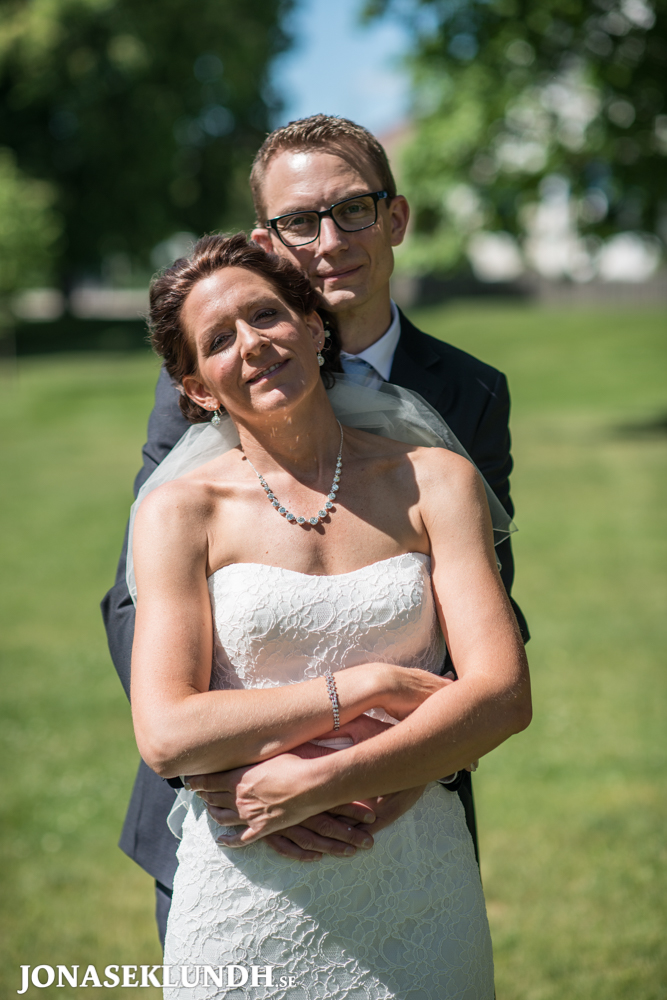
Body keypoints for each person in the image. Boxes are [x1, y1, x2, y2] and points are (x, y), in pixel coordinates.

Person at [101, 114, 529, 945]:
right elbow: (135, 600)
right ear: (267, 239)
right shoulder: (208, 373)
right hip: (233, 800)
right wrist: (249, 767)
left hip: (402, 806)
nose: (329, 241)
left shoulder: (470, 392)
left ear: (394, 218)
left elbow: (487, 610)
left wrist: (398, 762)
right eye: (299, 221)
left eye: (352, 210)